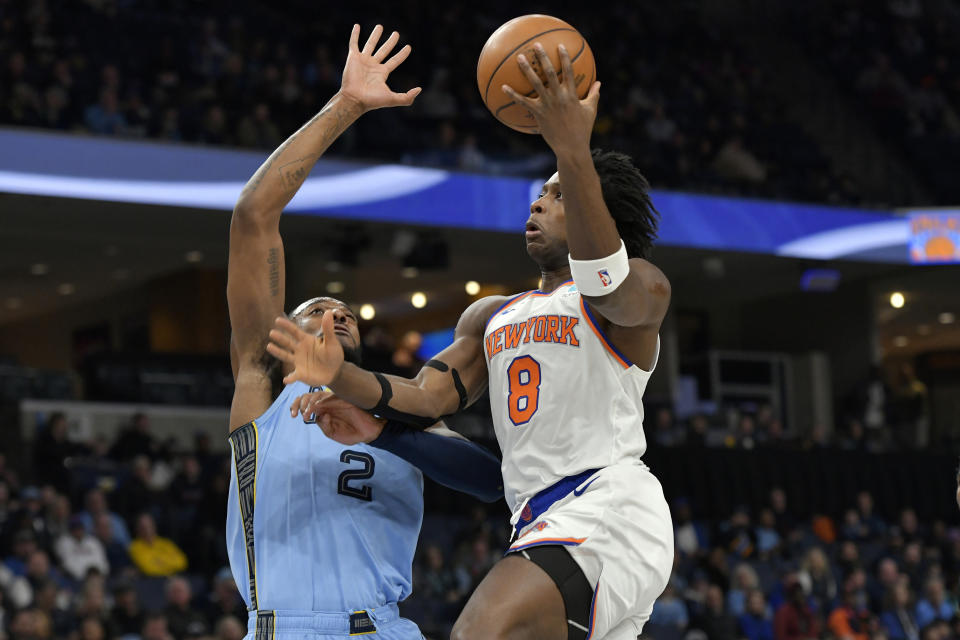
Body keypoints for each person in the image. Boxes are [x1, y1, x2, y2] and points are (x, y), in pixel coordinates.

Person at [269, 39, 673, 640]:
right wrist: (340, 378)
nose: (539, 201)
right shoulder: (492, 315)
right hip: (536, 519)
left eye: (559, 194)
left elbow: (609, 284)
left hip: (608, 509)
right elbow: (426, 399)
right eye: (543, 190)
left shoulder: (639, 287)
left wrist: (572, 148)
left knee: (477, 633)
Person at [225, 24, 501, 640]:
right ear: (283, 330)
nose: (335, 314)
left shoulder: (404, 405)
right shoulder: (261, 382)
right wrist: (345, 106)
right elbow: (253, 215)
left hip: (379, 629)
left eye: (345, 310)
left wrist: (385, 431)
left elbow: (493, 485)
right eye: (316, 308)